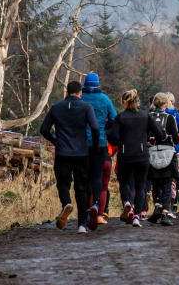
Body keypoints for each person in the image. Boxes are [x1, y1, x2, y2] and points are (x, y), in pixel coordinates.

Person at [39, 80, 99, 234]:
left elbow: (44, 129)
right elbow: (95, 127)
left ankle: (66, 204)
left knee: (63, 184)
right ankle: (81, 224)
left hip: (62, 152)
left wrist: (56, 141)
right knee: (82, 187)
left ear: (66, 92)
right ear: (80, 93)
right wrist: (95, 147)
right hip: (81, 153)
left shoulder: (56, 107)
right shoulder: (86, 107)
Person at [106, 89, 165, 227]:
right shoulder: (145, 116)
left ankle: (127, 203)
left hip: (125, 156)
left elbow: (113, 137)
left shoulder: (120, 117)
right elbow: (159, 133)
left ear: (125, 102)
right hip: (142, 155)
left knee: (124, 183)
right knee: (140, 187)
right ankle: (137, 216)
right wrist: (151, 141)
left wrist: (120, 143)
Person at [80, 72, 116, 230]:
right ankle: (95, 206)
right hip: (100, 143)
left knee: (84, 179)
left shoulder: (80, 98)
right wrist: (105, 129)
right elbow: (114, 119)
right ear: (98, 84)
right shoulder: (105, 99)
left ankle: (87, 212)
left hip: (81, 144)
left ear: (85, 84)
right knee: (96, 177)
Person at [148, 92, 179, 226]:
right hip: (167, 153)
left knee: (155, 183)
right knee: (167, 184)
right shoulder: (170, 118)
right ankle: (165, 212)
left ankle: (156, 207)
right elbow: (177, 139)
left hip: (152, 153)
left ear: (154, 103)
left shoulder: (148, 117)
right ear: (166, 104)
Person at [164, 92, 179, 215]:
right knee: (173, 180)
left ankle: (159, 206)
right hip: (176, 150)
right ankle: (170, 208)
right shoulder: (177, 117)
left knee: (160, 178)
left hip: (159, 149)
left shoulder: (156, 115)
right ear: (172, 103)